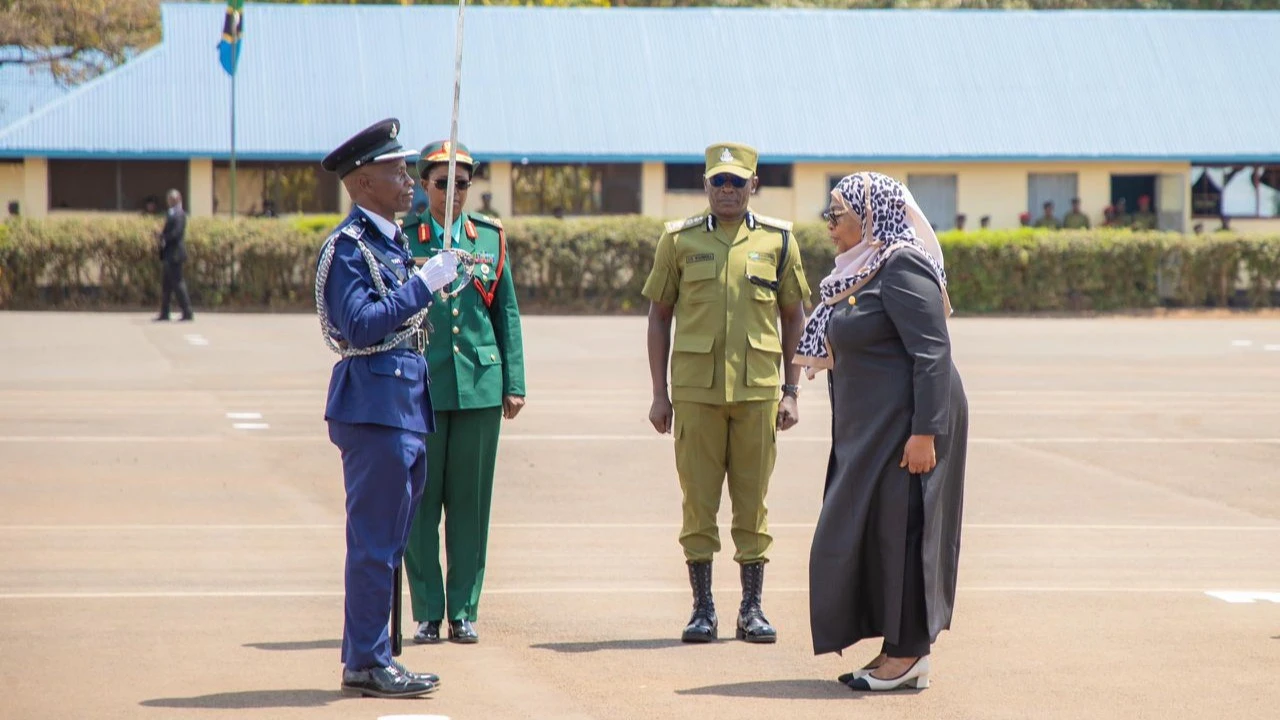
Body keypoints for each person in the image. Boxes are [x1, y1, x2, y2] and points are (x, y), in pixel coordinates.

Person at [797, 172, 968, 692]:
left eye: (838, 213)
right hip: (875, 430)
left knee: (908, 531)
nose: (828, 224)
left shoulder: (900, 265)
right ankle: (896, 647)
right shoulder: (857, 271)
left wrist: (926, 434)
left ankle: (911, 654)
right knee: (874, 533)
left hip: (911, 427)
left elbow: (932, 351)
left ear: (872, 217)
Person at [315, 117, 460, 699]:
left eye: (405, 169)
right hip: (374, 404)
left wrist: (425, 279)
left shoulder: (391, 241)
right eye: (395, 171)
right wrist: (422, 286)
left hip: (402, 402)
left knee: (391, 539)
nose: (409, 180)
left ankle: (369, 655)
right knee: (375, 541)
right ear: (360, 183)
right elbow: (359, 324)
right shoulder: (348, 249)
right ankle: (370, 662)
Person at [642, 142, 810, 644]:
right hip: (695, 393)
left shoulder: (780, 241)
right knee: (698, 502)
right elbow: (659, 317)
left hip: (759, 391)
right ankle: (703, 609)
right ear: (706, 185)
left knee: (753, 503)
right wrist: (659, 393)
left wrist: (793, 391)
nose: (728, 190)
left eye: (738, 181)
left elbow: (794, 316)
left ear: (754, 184)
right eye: (720, 181)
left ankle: (751, 609)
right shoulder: (678, 241)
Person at [401, 140, 526, 645]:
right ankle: (429, 610)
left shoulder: (489, 239)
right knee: (420, 505)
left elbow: (507, 313)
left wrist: (514, 381)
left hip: (478, 384)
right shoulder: (407, 237)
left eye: (461, 183)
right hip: (421, 386)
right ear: (422, 184)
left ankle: (465, 610)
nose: (452, 192)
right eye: (441, 182)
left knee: (471, 507)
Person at [154, 189, 194, 322]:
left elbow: (177, 233)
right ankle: (164, 312)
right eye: (169, 199)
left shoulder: (179, 214)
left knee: (178, 284)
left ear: (178, 199)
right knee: (166, 285)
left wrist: (162, 236)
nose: (170, 201)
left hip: (175, 254)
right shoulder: (171, 214)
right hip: (168, 254)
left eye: (172, 199)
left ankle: (187, 312)